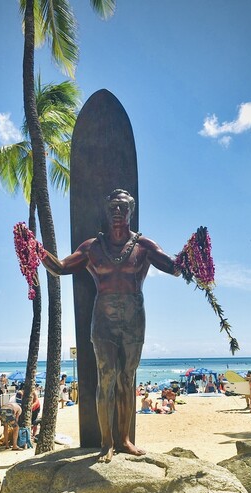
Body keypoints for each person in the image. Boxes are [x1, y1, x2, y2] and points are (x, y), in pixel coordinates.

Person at [42, 188, 180, 462]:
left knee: (127, 380)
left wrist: (194, 255)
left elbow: (175, 268)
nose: (117, 212)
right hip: (103, 318)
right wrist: (35, 250)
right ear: (106, 213)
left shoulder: (144, 246)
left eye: (122, 207)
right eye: (113, 207)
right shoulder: (92, 247)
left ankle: (124, 440)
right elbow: (60, 268)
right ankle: (106, 443)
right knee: (106, 379)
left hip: (133, 318)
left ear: (131, 211)